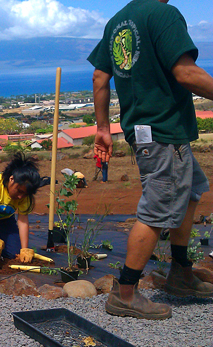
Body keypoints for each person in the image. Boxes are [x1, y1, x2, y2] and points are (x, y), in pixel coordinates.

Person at [88, 0, 213, 320]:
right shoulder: (163, 14)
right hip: (162, 131)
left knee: (193, 187)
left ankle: (181, 272)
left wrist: (103, 129)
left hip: (144, 131)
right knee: (156, 210)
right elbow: (186, 73)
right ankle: (125, 293)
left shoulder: (117, 21)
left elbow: (100, 77)